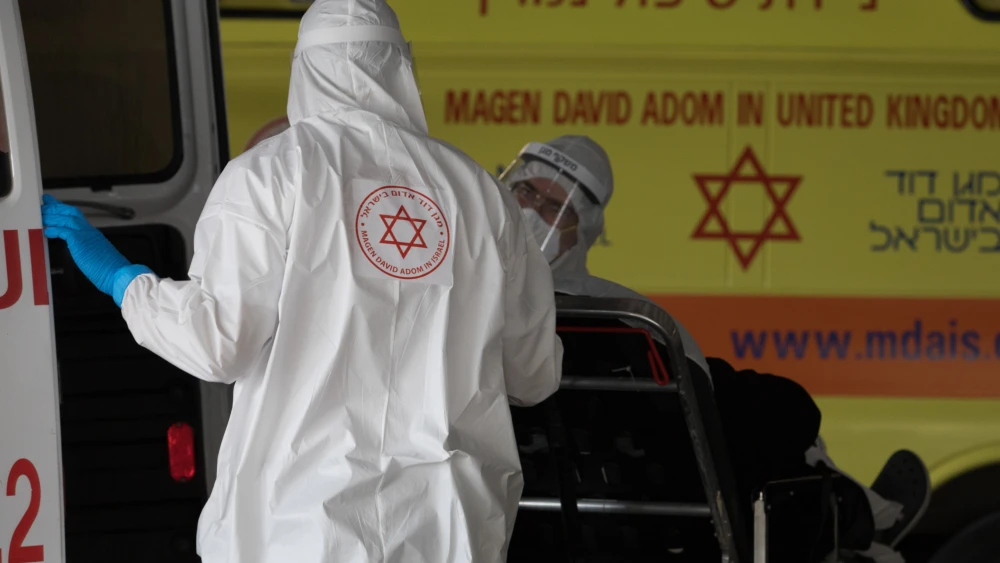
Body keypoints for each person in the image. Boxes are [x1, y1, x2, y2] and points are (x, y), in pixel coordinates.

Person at [41, 1, 563, 561]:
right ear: (401, 67)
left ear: (304, 70)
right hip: (450, 529)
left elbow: (219, 343)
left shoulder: (270, 174)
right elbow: (532, 376)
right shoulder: (480, 193)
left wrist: (125, 281)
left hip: (301, 527)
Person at [499, 134, 926, 562]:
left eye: (555, 207)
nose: (535, 213)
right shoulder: (636, 325)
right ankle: (860, 517)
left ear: (583, 228)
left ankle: (860, 514)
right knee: (769, 413)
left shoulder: (457, 306)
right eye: (527, 192)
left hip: (509, 522)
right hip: (636, 527)